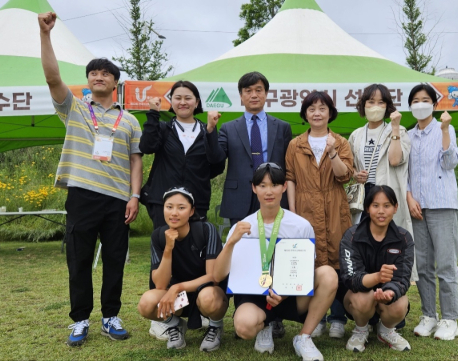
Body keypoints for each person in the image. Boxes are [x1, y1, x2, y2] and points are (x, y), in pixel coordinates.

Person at [39, 12, 142, 346]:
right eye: (93, 73)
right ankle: (80, 320)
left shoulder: (129, 121)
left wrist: (135, 196)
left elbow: (135, 161)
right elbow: (53, 78)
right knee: (79, 260)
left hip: (117, 200)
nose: (99, 76)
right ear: (88, 80)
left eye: (106, 73)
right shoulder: (75, 109)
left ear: (115, 83)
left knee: (115, 261)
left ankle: (110, 316)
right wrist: (45, 35)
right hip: (82, 195)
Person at [213, 163, 338, 361]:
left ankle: (303, 337)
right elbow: (218, 275)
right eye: (262, 185)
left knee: (328, 275)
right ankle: (265, 325)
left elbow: (306, 271)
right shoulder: (242, 227)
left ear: (284, 187)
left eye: (274, 185)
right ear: (254, 188)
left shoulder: (300, 226)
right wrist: (230, 243)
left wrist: (285, 294)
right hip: (255, 296)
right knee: (244, 327)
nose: (269, 191)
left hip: (290, 294)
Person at [213, 71, 292, 337]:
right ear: (241, 96)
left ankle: (275, 315)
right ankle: (243, 309)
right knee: (243, 256)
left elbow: (287, 165)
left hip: (272, 199)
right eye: (248, 90)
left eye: (258, 89)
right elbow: (214, 162)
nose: (253, 94)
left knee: (274, 255)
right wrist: (211, 130)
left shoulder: (282, 127)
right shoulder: (228, 128)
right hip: (239, 200)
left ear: (266, 93)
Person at [285, 91, 353, 339]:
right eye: (311, 108)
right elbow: (290, 178)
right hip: (305, 208)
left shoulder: (341, 142)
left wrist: (333, 152)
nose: (316, 113)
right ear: (305, 114)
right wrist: (293, 213)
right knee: (310, 261)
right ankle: (318, 318)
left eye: (322, 108)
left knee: (336, 259)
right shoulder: (295, 144)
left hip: (334, 206)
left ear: (330, 113)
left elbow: (344, 176)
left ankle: (337, 317)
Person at [137, 187, 229, 351]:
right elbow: (159, 284)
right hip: (180, 299)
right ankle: (175, 325)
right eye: (169, 207)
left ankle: (215, 326)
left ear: (191, 210)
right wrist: (168, 249)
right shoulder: (158, 236)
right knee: (146, 303)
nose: (174, 213)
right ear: (163, 208)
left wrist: (177, 287)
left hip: (207, 294)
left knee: (208, 297)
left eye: (181, 207)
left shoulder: (206, 230)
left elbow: (213, 276)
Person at [406, 84, 458, 340]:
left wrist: (445, 130)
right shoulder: (406, 135)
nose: (420, 104)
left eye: (425, 99)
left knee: (446, 265)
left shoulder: (444, 129)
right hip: (417, 208)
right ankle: (429, 315)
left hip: (442, 205)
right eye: (415, 100)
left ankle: (450, 319)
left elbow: (450, 162)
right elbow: (402, 172)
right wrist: (408, 197)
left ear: (434, 104)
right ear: (410, 106)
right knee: (424, 266)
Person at [140, 81, 225, 229]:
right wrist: (153, 114)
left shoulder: (206, 130)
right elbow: (147, 147)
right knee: (165, 245)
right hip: (163, 202)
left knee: (194, 248)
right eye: (178, 98)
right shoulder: (163, 128)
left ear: (197, 102)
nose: (183, 102)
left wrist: (211, 130)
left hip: (196, 202)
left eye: (188, 98)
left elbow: (218, 164)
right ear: (171, 101)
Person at [339, 186, 414, 352]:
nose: (381, 211)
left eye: (387, 206)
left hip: (388, 297)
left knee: (401, 303)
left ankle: (386, 330)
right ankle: (361, 329)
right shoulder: (351, 236)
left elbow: (402, 278)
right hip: (358, 296)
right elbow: (350, 278)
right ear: (367, 208)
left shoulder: (404, 239)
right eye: (375, 206)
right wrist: (378, 277)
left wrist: (389, 293)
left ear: (395, 208)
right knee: (363, 299)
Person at [348, 84, 413, 233]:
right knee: (364, 238)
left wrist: (395, 127)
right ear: (363, 105)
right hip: (364, 195)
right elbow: (349, 165)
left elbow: (395, 160)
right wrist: (355, 174)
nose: (375, 106)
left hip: (387, 191)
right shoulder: (356, 135)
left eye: (381, 102)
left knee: (388, 237)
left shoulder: (399, 131)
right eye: (371, 101)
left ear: (387, 106)